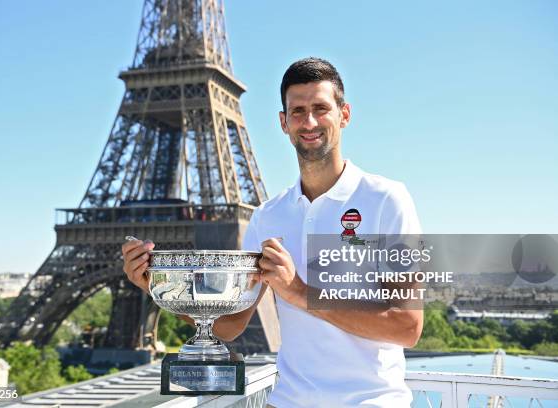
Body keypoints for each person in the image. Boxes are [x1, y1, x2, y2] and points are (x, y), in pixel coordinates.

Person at [122, 57, 423, 407]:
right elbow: (230, 326)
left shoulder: (387, 200)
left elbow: (407, 326)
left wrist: (299, 292)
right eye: (297, 111)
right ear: (283, 122)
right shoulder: (267, 216)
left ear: (345, 115)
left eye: (320, 108)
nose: (308, 121)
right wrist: (159, 287)